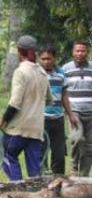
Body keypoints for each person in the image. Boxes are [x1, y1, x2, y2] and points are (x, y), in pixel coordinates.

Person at [0, 35, 52, 181]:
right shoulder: (43, 73)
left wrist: (2, 120)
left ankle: (17, 190)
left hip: (18, 129)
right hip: (36, 130)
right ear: (34, 52)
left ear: (20, 51)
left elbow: (15, 103)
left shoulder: (21, 72)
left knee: (8, 155)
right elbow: (50, 100)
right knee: (34, 171)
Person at [39, 45, 72, 175]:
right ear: (39, 58)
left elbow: (64, 94)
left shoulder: (61, 73)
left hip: (58, 119)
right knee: (41, 153)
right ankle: (41, 183)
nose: (46, 61)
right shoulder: (36, 73)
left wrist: (71, 114)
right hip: (41, 120)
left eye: (49, 58)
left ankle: (58, 182)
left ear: (54, 58)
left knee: (59, 156)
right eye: (43, 59)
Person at [62, 40, 91, 175]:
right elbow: (62, 91)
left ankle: (84, 176)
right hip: (74, 111)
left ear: (87, 52)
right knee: (77, 139)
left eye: (83, 51)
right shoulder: (66, 69)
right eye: (77, 51)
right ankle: (74, 166)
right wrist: (67, 111)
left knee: (89, 146)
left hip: (90, 112)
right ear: (73, 52)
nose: (80, 53)